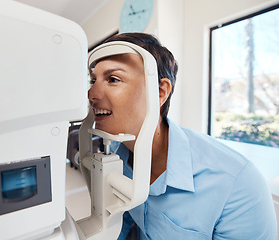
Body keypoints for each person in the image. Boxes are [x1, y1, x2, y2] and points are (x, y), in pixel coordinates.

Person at [87, 32, 277, 239]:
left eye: (113, 79)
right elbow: (122, 221)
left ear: (160, 92)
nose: (91, 95)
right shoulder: (118, 156)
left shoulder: (238, 184)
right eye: (93, 80)